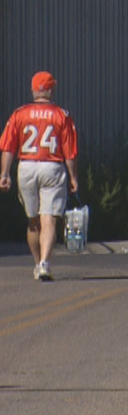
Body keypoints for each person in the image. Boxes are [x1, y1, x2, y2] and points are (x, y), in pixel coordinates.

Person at [0, 72, 80, 282]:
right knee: (49, 219)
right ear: (51, 90)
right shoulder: (61, 115)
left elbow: (8, 146)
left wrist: (5, 173)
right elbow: (69, 151)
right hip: (52, 166)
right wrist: (73, 177)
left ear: (34, 90)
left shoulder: (19, 114)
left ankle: (37, 262)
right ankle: (45, 262)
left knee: (33, 221)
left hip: (26, 166)